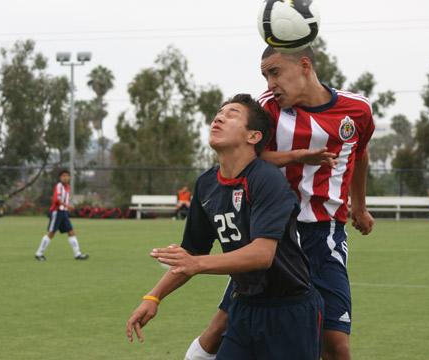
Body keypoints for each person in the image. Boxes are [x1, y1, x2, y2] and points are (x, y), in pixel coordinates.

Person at [187, 46, 374, 360]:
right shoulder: (268, 107)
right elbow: (251, 156)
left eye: (274, 72)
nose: (269, 83)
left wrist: (359, 205)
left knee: (337, 345)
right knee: (222, 325)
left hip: (324, 233)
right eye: (265, 75)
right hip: (275, 234)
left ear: (304, 65)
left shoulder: (357, 110)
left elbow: (360, 152)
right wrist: (299, 156)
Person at [126, 94, 323, 359]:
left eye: (231, 114)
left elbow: (261, 255)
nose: (218, 117)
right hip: (243, 307)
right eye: (219, 113)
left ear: (253, 136)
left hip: (289, 311)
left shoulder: (267, 180)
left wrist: (198, 264)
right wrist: (153, 297)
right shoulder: (207, 184)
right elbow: (191, 254)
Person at [34, 170, 89, 261]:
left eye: (67, 176)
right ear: (60, 178)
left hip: (64, 213)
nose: (65, 177)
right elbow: (57, 200)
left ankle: (77, 254)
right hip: (57, 212)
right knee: (51, 233)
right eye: (63, 176)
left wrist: (67, 207)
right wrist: (67, 206)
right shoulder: (59, 186)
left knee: (71, 232)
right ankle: (39, 254)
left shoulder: (67, 187)